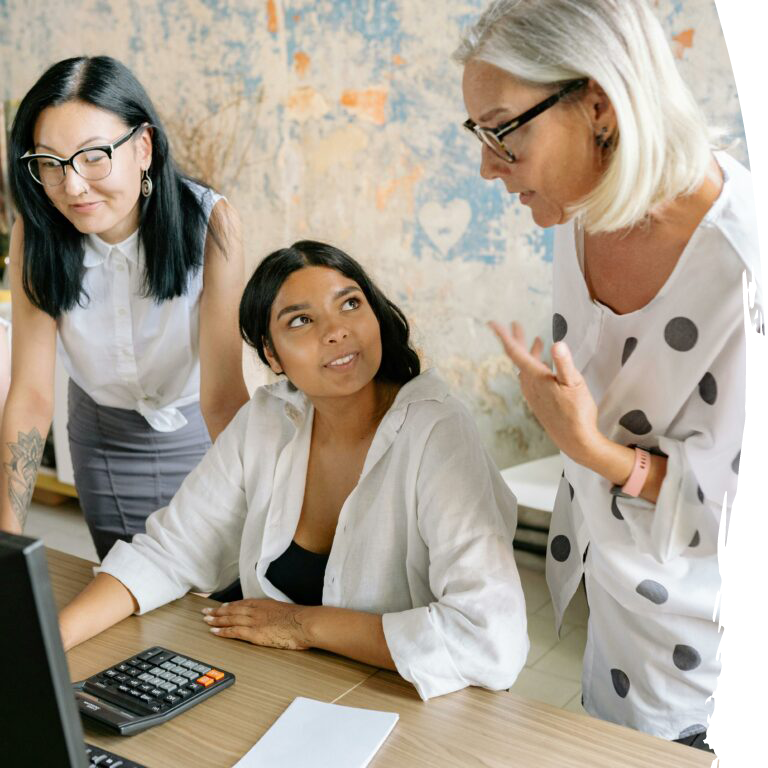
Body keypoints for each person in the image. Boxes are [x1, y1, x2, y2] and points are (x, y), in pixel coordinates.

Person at [456, 0, 763, 753]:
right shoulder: (585, 208)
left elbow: (747, 513)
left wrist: (593, 450)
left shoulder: (749, 277)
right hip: (618, 622)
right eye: (479, 133)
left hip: (718, 665)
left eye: (502, 130)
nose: (488, 165)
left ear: (597, 105)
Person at [58, 240, 528, 700]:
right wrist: (51, 642)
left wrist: (302, 626)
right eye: (301, 320)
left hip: (408, 701)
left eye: (350, 304)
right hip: (282, 687)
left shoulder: (437, 431)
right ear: (272, 354)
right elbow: (169, 552)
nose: (336, 331)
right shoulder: (266, 418)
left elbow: (491, 640)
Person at [1, 56, 249, 557]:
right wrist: (7, 542)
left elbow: (222, 398)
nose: (72, 185)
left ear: (143, 147)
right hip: (102, 443)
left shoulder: (209, 224)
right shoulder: (36, 232)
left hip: (200, 437)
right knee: (119, 582)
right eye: (50, 162)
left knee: (217, 587)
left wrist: (256, 506)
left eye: (93, 156)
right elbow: (30, 395)